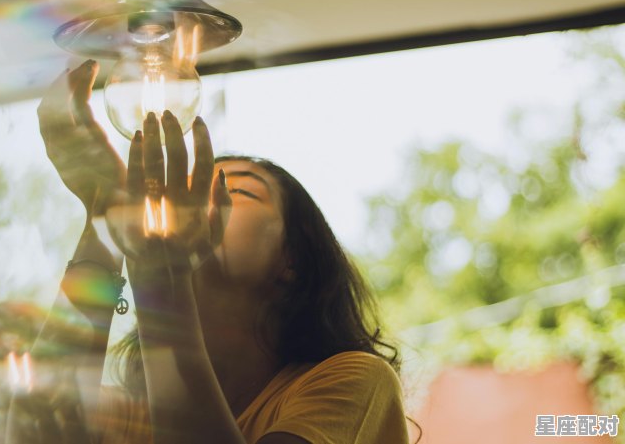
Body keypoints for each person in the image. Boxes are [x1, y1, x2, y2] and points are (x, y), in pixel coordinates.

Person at [37, 59, 416, 444]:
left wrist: (159, 283)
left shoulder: (350, 381)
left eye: (236, 190)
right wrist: (104, 214)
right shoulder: (134, 418)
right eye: (187, 189)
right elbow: (33, 424)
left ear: (293, 260)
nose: (193, 202)